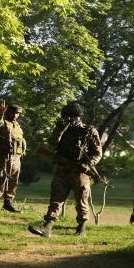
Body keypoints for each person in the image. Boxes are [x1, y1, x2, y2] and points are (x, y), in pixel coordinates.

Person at [28, 102, 102, 238]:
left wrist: (89, 163)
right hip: (61, 169)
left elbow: (97, 152)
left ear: (78, 117)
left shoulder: (89, 130)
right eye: (65, 116)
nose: (67, 119)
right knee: (56, 198)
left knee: (81, 200)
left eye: (71, 116)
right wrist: (59, 130)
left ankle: (82, 227)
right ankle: (47, 227)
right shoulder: (61, 128)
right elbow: (52, 143)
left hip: (79, 171)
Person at [0, 101, 27, 212]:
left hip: (17, 158)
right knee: (0, 179)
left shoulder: (18, 126)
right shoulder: (3, 123)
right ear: (8, 112)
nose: (15, 115)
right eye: (13, 112)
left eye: (17, 113)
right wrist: (0, 113)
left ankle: (8, 202)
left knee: (14, 181)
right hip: (4, 157)